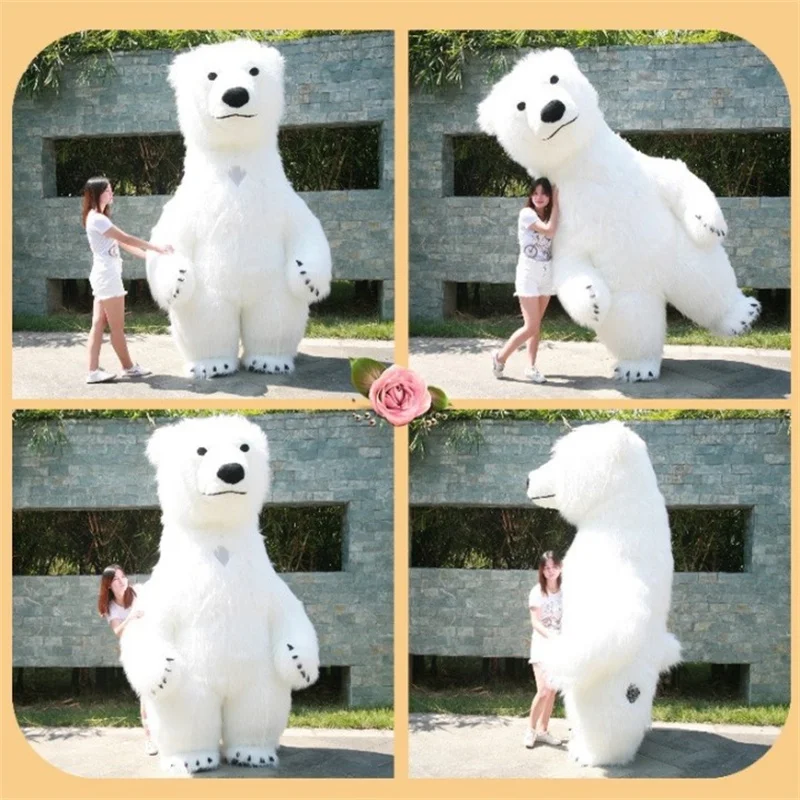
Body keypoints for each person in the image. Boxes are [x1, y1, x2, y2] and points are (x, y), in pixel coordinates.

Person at [82, 177, 173, 384]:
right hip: (108, 277)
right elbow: (127, 238)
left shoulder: (98, 218)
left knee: (98, 323)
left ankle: (93, 371)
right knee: (117, 327)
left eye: (111, 189)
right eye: (107, 190)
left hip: (103, 275)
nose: (111, 193)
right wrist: (157, 248)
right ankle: (128, 368)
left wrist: (150, 256)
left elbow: (123, 245)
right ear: (96, 194)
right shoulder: (98, 219)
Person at [492, 178, 559, 384]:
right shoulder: (527, 214)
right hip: (528, 274)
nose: (539, 197)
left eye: (545, 193)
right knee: (531, 326)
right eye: (535, 193)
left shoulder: (550, 216)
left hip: (546, 274)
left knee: (536, 326)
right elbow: (549, 230)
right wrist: (556, 202)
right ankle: (500, 357)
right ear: (530, 195)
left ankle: (530, 367)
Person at [97, 564, 157, 755]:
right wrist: (131, 616)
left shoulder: (138, 592)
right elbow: (117, 631)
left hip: (154, 645)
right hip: (134, 652)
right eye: (116, 579)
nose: (122, 581)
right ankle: (149, 740)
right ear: (108, 585)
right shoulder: (110, 607)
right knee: (146, 694)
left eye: (123, 576)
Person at [524, 550, 563, 749]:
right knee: (544, 689)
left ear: (560, 567)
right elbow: (535, 622)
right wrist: (551, 636)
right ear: (542, 570)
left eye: (554, 566)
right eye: (546, 568)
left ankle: (543, 730)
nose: (550, 571)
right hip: (542, 646)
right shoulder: (536, 592)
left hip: (560, 647)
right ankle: (530, 730)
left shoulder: (567, 591)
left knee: (553, 690)